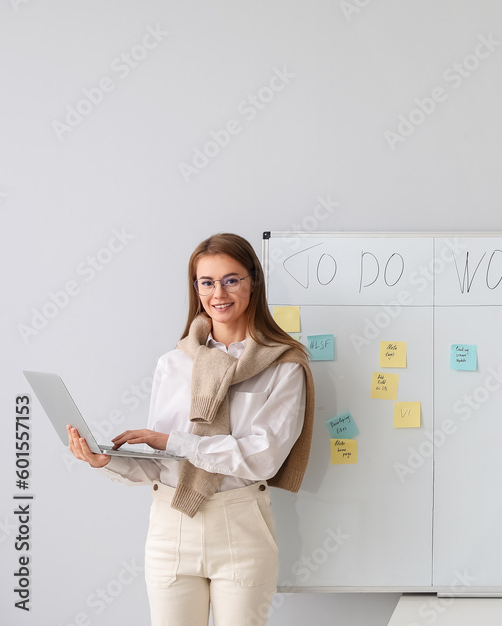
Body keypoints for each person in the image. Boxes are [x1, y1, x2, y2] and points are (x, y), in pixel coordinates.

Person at [66, 233, 315, 626]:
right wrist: (106, 461)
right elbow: (162, 463)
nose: (219, 293)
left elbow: (263, 457)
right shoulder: (173, 363)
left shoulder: (284, 365)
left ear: (254, 282)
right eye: (207, 282)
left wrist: (177, 442)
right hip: (171, 525)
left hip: (241, 527)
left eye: (232, 279)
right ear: (196, 288)